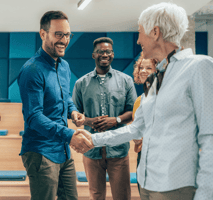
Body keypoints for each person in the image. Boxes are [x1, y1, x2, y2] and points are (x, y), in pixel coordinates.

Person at [79, 2, 213, 200]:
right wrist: (93, 139)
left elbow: (210, 136)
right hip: (147, 183)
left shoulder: (199, 67)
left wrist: (206, 193)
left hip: (177, 187)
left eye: (140, 32)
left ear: (155, 32)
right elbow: (136, 128)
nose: (138, 40)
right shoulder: (154, 79)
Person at [18, 10, 93, 200]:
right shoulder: (31, 70)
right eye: (58, 34)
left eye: (67, 34)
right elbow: (34, 117)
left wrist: (73, 111)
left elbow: (65, 97)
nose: (64, 40)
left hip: (63, 150)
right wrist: (69, 135)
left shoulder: (64, 66)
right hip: (41, 151)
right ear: (43, 34)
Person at [72, 37, 137, 200]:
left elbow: (133, 111)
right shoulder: (81, 84)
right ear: (93, 55)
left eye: (108, 51)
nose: (104, 54)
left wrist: (116, 120)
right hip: (91, 149)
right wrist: (89, 121)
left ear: (113, 55)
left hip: (119, 149)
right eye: (100, 51)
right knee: (96, 195)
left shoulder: (126, 81)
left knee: (122, 195)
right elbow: (74, 114)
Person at [131, 53, 157, 193]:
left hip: (157, 156)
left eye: (149, 68)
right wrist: (136, 139)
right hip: (142, 156)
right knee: (143, 193)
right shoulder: (139, 100)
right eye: (141, 67)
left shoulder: (163, 95)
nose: (143, 71)